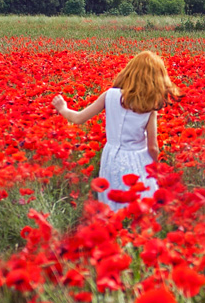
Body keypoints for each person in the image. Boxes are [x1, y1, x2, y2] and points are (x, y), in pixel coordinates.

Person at [52, 50, 181, 210]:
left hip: (111, 157)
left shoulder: (110, 95)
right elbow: (153, 147)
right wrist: (156, 165)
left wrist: (63, 108)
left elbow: (78, 118)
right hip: (138, 160)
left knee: (113, 203)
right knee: (140, 205)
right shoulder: (149, 107)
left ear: (130, 72)